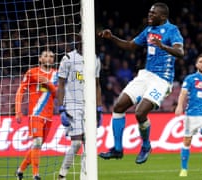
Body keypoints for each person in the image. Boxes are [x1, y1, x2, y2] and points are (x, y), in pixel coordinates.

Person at [98, 2, 184, 164]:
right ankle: (117, 149)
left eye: (153, 14)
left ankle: (145, 146)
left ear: (163, 16)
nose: (149, 16)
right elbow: (131, 46)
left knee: (140, 112)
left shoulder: (173, 31)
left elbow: (180, 52)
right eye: (149, 13)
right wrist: (112, 38)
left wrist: (163, 46)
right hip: (145, 75)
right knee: (118, 107)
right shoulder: (149, 30)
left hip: (162, 80)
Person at [57, 36, 102, 180]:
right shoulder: (68, 58)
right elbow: (61, 84)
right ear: (77, 43)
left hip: (88, 105)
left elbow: (97, 85)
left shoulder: (95, 59)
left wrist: (99, 108)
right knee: (76, 142)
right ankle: (62, 174)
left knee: (89, 145)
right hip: (72, 104)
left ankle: (85, 176)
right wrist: (61, 108)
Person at [15, 50, 58, 180]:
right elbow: (20, 91)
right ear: (40, 59)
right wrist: (18, 110)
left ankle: (20, 170)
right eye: (46, 56)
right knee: (37, 142)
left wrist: (49, 84)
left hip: (49, 116)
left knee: (37, 146)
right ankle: (36, 175)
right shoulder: (32, 72)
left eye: (51, 56)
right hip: (35, 114)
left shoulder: (56, 74)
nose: (49, 58)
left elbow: (57, 95)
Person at [175, 54, 202, 177]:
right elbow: (183, 94)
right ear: (196, 64)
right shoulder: (190, 79)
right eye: (201, 61)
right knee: (187, 141)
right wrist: (179, 106)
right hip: (191, 115)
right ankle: (184, 169)